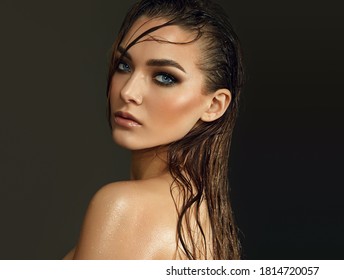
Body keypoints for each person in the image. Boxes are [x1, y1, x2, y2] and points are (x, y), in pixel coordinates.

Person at [63, 0, 243, 260]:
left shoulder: (124, 208)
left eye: (165, 77)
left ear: (214, 105)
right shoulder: (204, 216)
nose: (128, 92)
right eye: (124, 65)